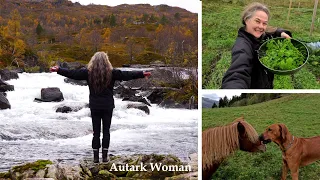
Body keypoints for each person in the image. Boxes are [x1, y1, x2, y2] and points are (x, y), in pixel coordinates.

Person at [50, 52, 151, 163]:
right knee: (106, 131)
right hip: (108, 105)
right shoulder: (112, 73)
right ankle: (105, 157)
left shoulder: (88, 73)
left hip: (95, 106)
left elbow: (73, 74)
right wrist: (142, 73)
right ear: (107, 62)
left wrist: (59, 70)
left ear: (93, 61)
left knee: (96, 132)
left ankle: (95, 158)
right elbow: (126, 75)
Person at [221, 2, 292, 89]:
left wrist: (281, 33)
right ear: (246, 20)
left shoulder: (260, 35)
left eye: (264, 23)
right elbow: (237, 74)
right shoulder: (243, 46)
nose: (261, 26)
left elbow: (272, 31)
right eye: (257, 21)